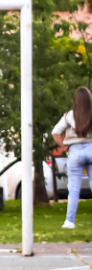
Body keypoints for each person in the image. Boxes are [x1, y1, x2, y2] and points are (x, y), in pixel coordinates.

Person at [52, 86, 92, 229]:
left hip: (74, 151)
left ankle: (69, 221)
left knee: (74, 189)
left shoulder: (69, 115)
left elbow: (55, 132)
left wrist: (63, 146)